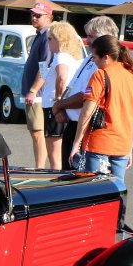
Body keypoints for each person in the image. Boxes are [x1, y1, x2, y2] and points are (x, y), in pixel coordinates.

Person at [68, 35, 133, 184]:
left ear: (106, 58)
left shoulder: (100, 75)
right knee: (116, 191)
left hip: (99, 143)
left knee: (94, 191)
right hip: (122, 145)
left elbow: (87, 112)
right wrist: (129, 149)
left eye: (95, 57)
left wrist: (76, 142)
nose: (94, 61)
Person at [51, 15, 119, 170]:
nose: (86, 40)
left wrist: (59, 104)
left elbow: (86, 96)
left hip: (86, 129)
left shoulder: (102, 63)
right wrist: (62, 106)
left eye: (91, 36)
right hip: (74, 124)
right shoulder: (90, 58)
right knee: (67, 175)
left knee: (76, 179)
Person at [25, 21, 82, 169]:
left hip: (53, 108)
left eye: (50, 39)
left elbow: (62, 77)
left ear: (59, 40)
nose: (48, 42)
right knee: (62, 153)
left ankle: (55, 186)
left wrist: (58, 99)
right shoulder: (73, 58)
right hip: (64, 109)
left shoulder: (61, 56)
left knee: (55, 156)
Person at [22, 2, 54, 165]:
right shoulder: (40, 35)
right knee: (36, 132)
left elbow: (45, 67)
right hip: (37, 94)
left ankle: (39, 168)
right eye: (33, 14)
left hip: (39, 95)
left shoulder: (47, 36)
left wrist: (33, 89)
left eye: (38, 15)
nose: (34, 17)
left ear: (49, 17)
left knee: (37, 132)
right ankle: (38, 167)